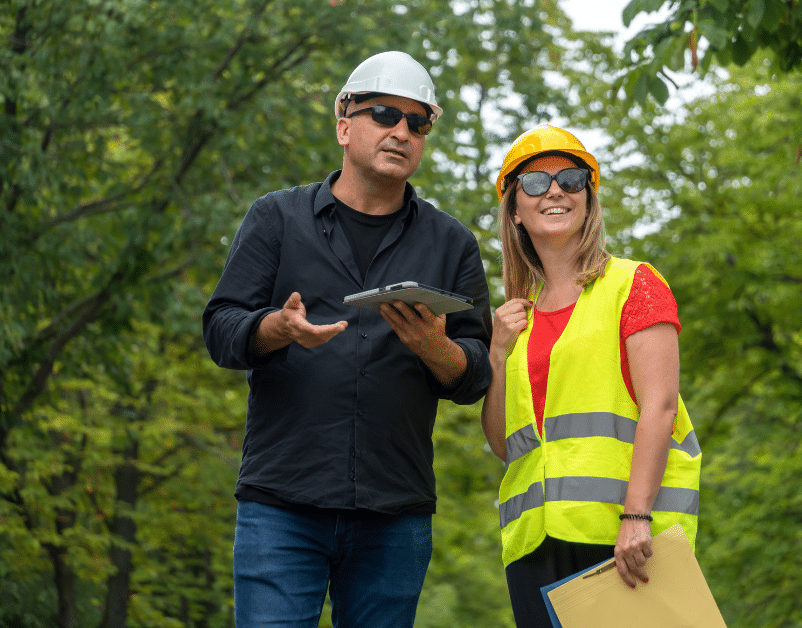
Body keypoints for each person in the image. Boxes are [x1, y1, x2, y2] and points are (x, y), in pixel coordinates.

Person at [202, 51, 492, 628]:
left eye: (417, 122)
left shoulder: (452, 244)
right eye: (385, 114)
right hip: (281, 505)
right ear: (344, 125)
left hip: (395, 511)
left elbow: (476, 374)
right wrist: (275, 329)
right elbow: (221, 329)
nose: (401, 131)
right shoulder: (277, 219)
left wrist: (438, 349)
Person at [480, 124, 702, 627]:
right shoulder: (516, 320)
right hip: (533, 544)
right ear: (515, 210)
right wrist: (496, 355)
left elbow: (660, 406)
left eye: (571, 179)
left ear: (589, 198)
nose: (555, 190)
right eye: (535, 183)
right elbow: (503, 445)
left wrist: (636, 516)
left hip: (622, 540)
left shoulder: (634, 285)